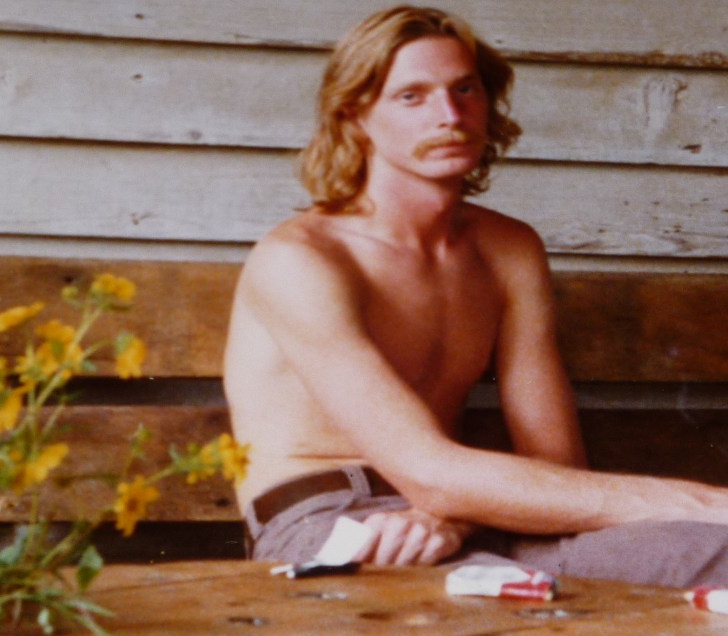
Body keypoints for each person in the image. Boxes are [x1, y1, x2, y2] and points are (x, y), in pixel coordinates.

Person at [222, 5, 728, 586]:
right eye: (411, 97)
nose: (449, 115)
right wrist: (705, 502)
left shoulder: (507, 250)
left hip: (475, 515)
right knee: (495, 603)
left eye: (465, 89)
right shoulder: (302, 260)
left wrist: (453, 517)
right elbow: (425, 468)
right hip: (337, 521)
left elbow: (556, 462)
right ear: (355, 115)